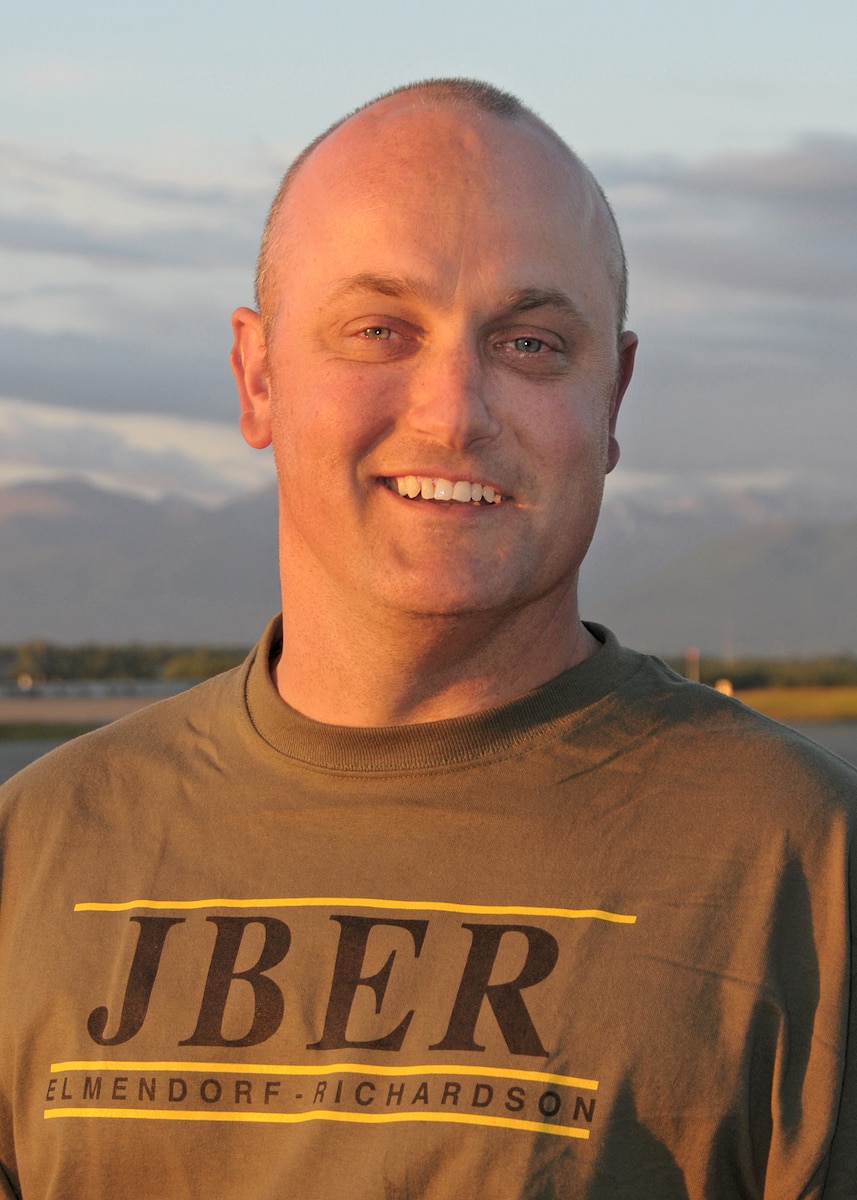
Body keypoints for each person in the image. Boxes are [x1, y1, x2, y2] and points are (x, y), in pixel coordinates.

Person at [0, 78, 854, 1200]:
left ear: (614, 397)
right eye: (379, 331)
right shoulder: (40, 849)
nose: (453, 410)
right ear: (257, 377)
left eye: (533, 343)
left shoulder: (796, 867)